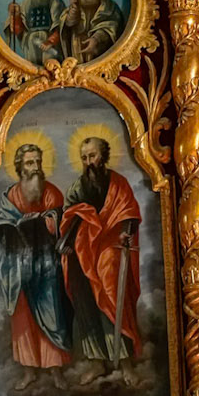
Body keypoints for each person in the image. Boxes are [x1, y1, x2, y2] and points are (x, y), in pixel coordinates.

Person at [59, 136, 142, 376]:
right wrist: (67, 242)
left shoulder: (118, 184)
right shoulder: (77, 187)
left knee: (110, 298)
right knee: (85, 303)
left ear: (103, 156)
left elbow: (129, 213)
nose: (88, 162)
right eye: (84, 158)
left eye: (92, 156)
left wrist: (126, 232)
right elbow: (69, 217)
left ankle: (124, 362)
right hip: (82, 252)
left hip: (109, 249)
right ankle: (96, 361)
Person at [0, 141, 72, 372]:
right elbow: (3, 224)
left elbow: (60, 223)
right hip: (18, 264)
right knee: (23, 318)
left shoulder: (51, 192)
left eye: (38, 162)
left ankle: (55, 370)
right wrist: (16, 225)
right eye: (30, 163)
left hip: (47, 263)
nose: (36, 167)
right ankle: (29, 371)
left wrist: (42, 221)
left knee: (52, 313)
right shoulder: (11, 195)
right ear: (20, 167)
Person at [5, 0, 67, 67]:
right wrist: (16, 15)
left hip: (49, 43)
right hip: (30, 42)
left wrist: (50, 41)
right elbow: (19, 30)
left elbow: (61, 28)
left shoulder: (56, 3)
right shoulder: (26, 3)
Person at [57, 0, 127, 61]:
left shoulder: (110, 7)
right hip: (76, 47)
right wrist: (74, 9)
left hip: (99, 51)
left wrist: (96, 38)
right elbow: (67, 24)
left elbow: (113, 26)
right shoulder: (76, 2)